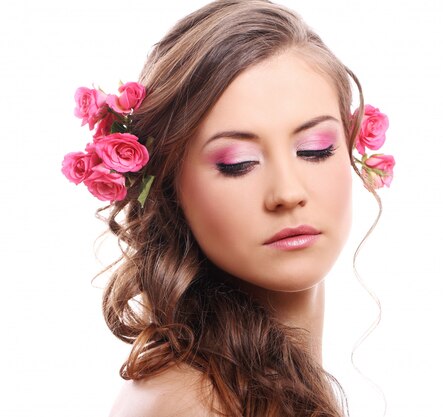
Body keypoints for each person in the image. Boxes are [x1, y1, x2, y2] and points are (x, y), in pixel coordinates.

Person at [62, 1, 394, 416]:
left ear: (350, 146)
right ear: (169, 186)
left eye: (315, 149)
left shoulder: (255, 391)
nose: (287, 192)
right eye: (237, 163)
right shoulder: (193, 405)